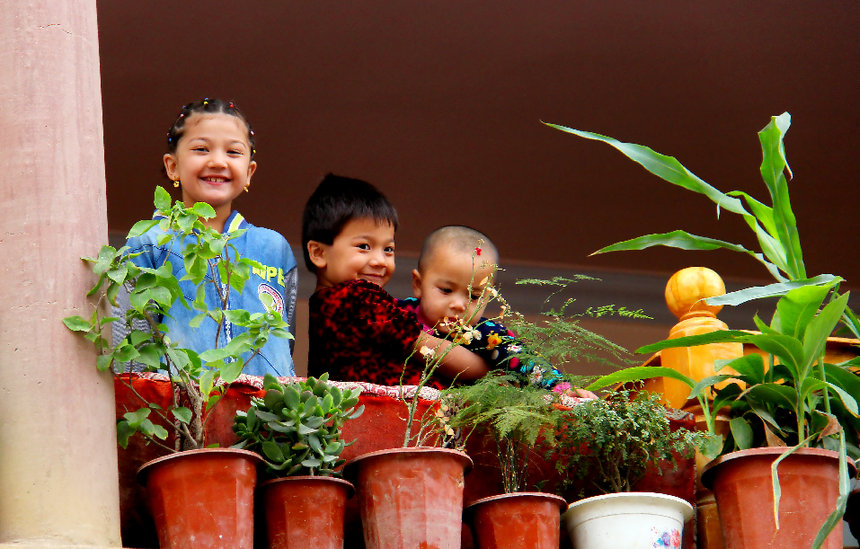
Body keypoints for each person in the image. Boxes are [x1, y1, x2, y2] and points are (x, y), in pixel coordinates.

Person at [116, 98, 298, 377]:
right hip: (182, 412)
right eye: (201, 149)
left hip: (264, 414)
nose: (217, 161)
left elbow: (285, 342)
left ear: (249, 172)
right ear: (172, 166)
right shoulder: (150, 243)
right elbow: (132, 352)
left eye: (233, 152)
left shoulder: (274, 247)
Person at [302, 174, 490, 388]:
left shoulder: (323, 303)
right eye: (364, 246)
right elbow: (431, 349)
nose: (380, 260)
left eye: (388, 249)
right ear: (318, 253)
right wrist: (488, 369)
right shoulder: (358, 298)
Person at [399, 225, 568, 390]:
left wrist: (560, 387)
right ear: (418, 284)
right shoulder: (397, 313)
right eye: (446, 290)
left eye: (474, 296)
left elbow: (523, 360)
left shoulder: (486, 334)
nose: (458, 305)